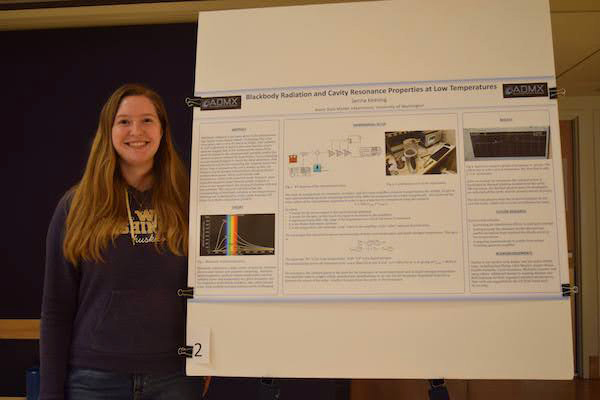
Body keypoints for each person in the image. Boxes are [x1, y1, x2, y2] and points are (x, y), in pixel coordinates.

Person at [40, 83, 204, 399]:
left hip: (174, 378)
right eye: (124, 121)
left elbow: (211, 290)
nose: (136, 131)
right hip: (93, 379)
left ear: (162, 130)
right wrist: (49, 392)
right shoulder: (76, 206)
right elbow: (56, 307)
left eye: (147, 120)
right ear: (109, 131)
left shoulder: (189, 202)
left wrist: (207, 361)